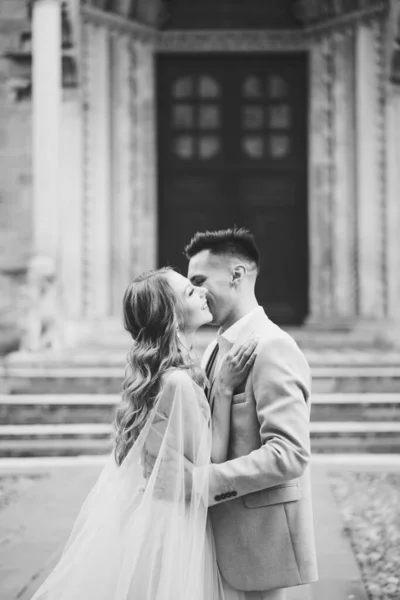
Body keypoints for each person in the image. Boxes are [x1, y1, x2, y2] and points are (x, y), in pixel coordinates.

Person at [30, 267, 257, 600]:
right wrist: (223, 389)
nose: (202, 292)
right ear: (172, 316)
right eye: (189, 292)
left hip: (155, 513)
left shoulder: (165, 375)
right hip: (174, 525)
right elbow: (210, 464)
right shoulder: (177, 383)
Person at [184, 227, 319, 600]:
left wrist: (203, 483)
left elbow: (289, 454)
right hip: (215, 540)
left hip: (260, 540)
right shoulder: (213, 348)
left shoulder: (274, 347)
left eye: (199, 280)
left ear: (236, 275)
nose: (194, 293)